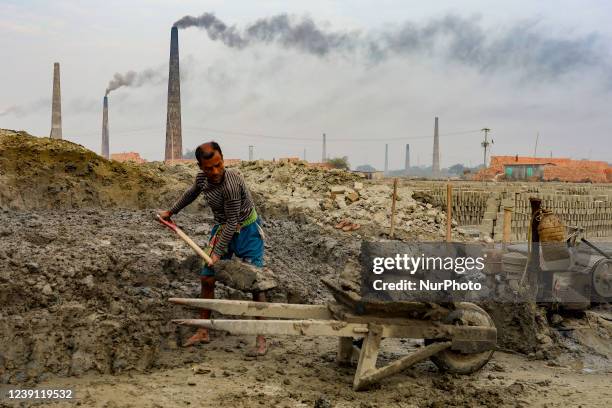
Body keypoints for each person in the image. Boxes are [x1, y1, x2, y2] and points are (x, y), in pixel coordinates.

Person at [158, 141, 267, 355]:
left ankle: (261, 337)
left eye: (219, 165)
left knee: (257, 284)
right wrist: (171, 212)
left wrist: (217, 253)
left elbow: (233, 220)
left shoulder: (232, 184)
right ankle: (203, 330)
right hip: (222, 228)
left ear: (223, 159)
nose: (215, 171)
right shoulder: (202, 179)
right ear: (200, 167)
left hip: (247, 230)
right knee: (207, 277)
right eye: (209, 168)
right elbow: (191, 193)